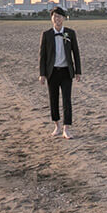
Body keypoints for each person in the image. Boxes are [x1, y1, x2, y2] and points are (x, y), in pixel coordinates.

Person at [39, 7, 82, 139]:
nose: (57, 19)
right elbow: (43, 56)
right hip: (52, 72)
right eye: (54, 17)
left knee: (67, 100)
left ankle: (66, 128)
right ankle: (57, 125)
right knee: (53, 100)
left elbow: (76, 52)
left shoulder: (70, 33)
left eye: (59, 16)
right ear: (51, 19)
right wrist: (42, 74)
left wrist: (78, 71)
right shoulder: (46, 35)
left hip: (66, 72)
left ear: (63, 18)